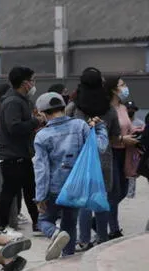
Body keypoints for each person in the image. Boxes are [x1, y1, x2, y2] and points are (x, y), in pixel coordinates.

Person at [33, 92, 108, 260]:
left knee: (43, 221)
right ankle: (69, 258)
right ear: (64, 108)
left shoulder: (42, 136)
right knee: (70, 224)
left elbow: (41, 170)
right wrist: (101, 128)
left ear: (43, 113)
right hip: (76, 187)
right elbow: (99, 148)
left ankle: (55, 234)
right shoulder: (80, 126)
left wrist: (40, 197)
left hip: (54, 188)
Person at [73, 67, 120, 251]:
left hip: (82, 160)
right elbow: (115, 135)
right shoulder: (109, 109)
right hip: (104, 159)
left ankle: (84, 240)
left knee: (84, 202)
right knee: (102, 199)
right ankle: (102, 238)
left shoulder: (75, 108)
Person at [0, 66, 42, 236]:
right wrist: (35, 122)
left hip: (22, 154)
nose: (34, 84)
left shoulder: (21, 100)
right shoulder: (13, 102)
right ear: (25, 83)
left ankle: (38, 222)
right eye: (33, 80)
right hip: (12, 156)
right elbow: (13, 127)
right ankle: (1, 226)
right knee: (9, 191)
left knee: (31, 190)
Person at [104, 76, 140, 240]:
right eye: (122, 84)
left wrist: (137, 131)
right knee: (114, 192)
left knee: (124, 190)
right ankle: (114, 229)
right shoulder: (106, 109)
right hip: (111, 152)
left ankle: (97, 220)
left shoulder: (123, 108)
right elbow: (106, 134)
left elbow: (128, 127)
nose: (125, 87)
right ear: (113, 89)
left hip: (125, 152)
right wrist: (122, 139)